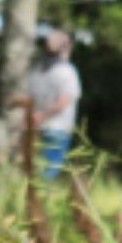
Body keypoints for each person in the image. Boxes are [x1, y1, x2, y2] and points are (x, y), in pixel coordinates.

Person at [27, 29, 81, 179]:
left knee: (37, 169)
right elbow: (63, 101)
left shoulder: (37, 72)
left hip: (38, 128)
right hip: (58, 128)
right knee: (49, 173)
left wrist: (35, 119)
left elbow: (31, 100)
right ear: (66, 47)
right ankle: (39, 201)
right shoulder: (67, 71)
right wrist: (44, 115)